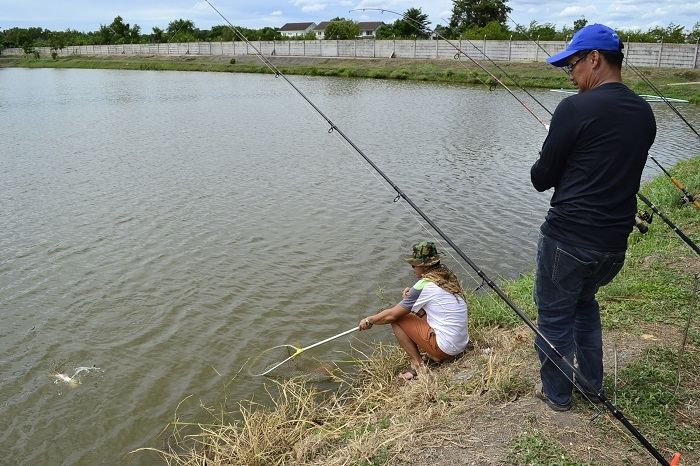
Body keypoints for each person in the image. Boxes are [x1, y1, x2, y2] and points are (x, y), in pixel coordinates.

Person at [530, 24, 656, 411]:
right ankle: (591, 385)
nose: (570, 75)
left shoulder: (573, 108)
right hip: (613, 246)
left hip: (568, 239)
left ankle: (557, 395)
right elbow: (605, 165)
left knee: (553, 317)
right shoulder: (644, 112)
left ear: (595, 59)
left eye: (572, 66)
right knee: (584, 306)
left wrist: (556, 140)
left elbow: (541, 178)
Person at [358, 241, 469, 380]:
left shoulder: (424, 285)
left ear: (423, 266)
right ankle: (433, 354)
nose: (412, 268)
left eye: (413, 265)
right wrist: (412, 295)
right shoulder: (446, 276)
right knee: (411, 313)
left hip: (447, 349)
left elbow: (391, 315)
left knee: (398, 319)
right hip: (460, 344)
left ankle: (418, 364)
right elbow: (435, 302)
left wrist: (370, 320)